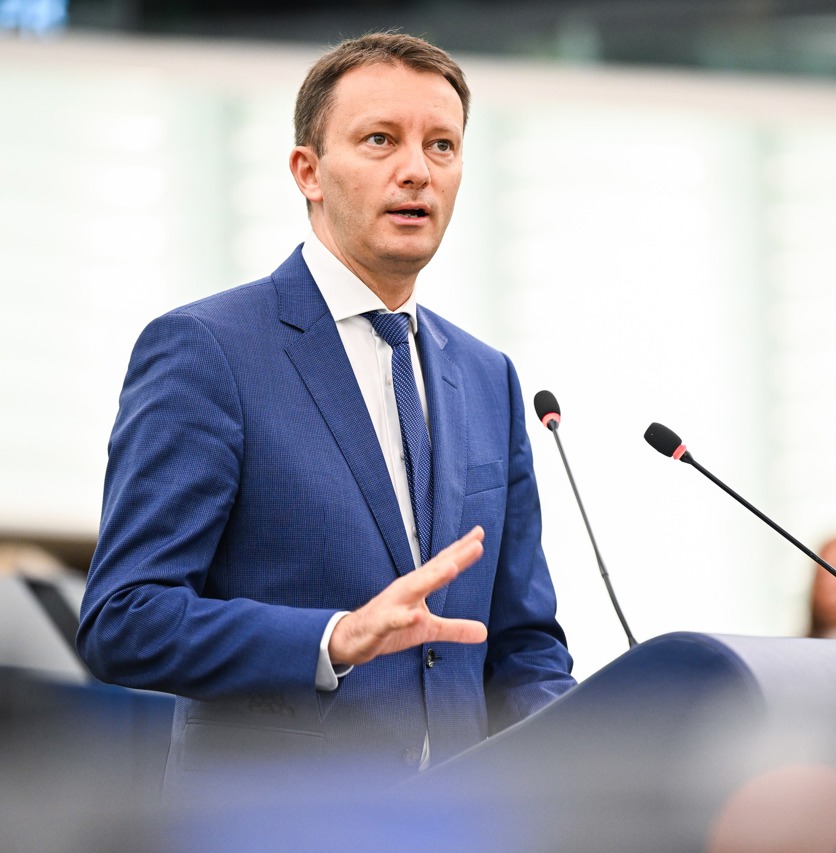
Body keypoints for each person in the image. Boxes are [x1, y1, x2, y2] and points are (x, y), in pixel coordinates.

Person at [75, 32, 576, 784]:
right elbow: (125, 618)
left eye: (441, 146)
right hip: (273, 821)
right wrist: (333, 638)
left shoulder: (487, 378)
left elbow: (524, 644)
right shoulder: (209, 350)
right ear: (308, 171)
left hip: (458, 825)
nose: (417, 170)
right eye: (381, 140)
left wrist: (590, 755)